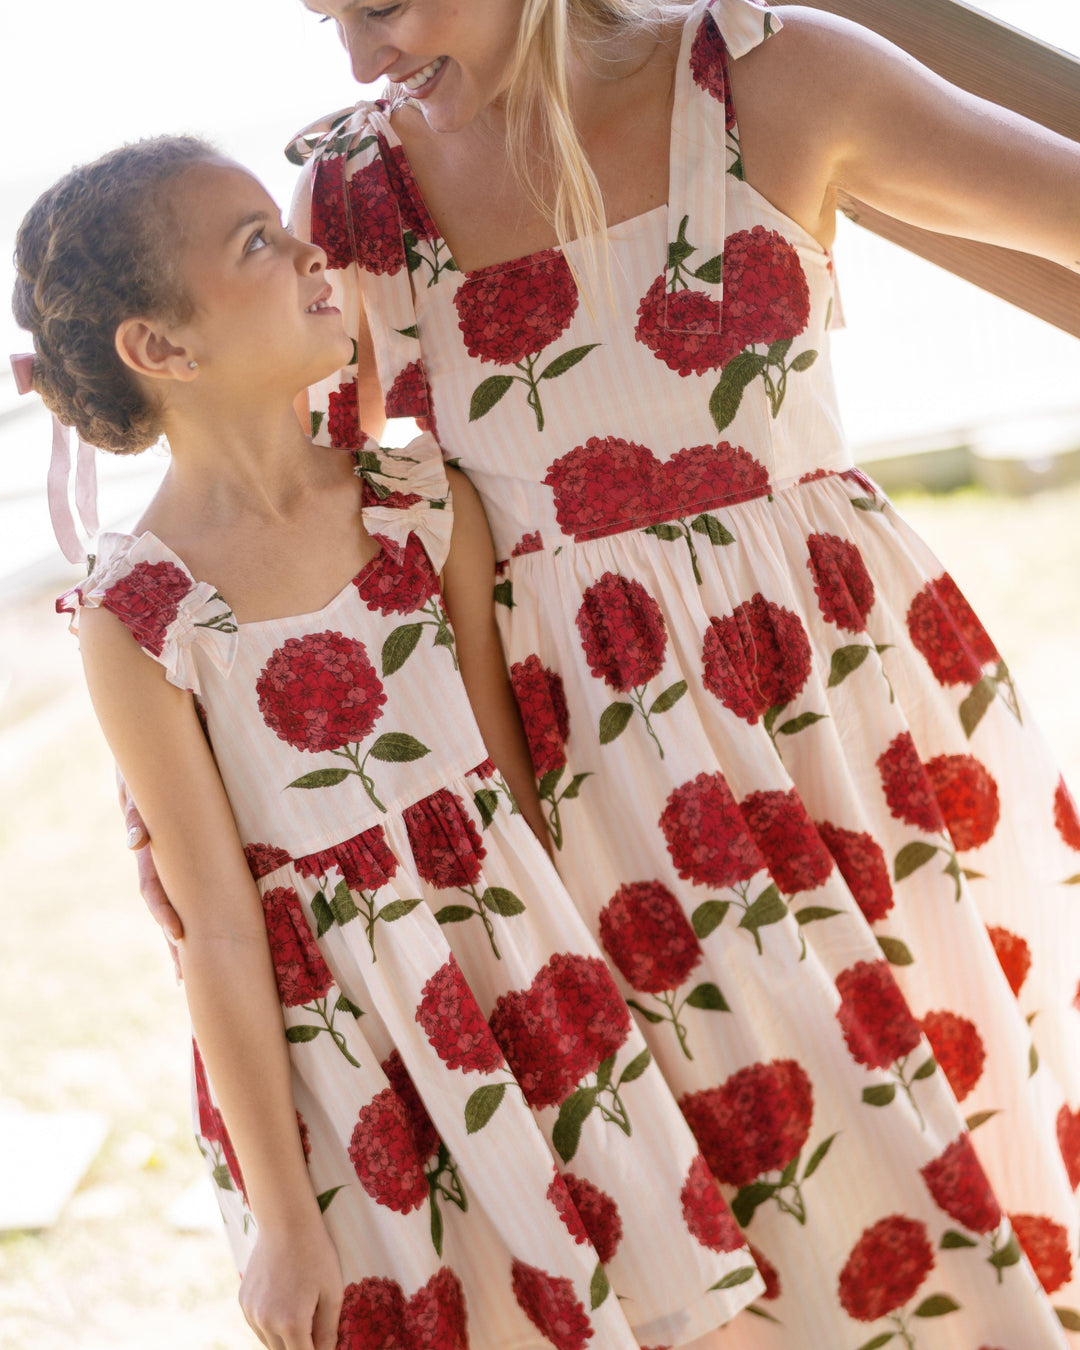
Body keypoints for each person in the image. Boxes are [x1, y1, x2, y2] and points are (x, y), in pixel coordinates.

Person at [126, 1, 1080, 1344]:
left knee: (950, 1138)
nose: (357, 59)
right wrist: (186, 770)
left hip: (844, 711)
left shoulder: (776, 76)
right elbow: (299, 505)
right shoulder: (349, 196)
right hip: (584, 781)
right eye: (328, 14)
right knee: (759, 1207)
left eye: (380, 6)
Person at [14, 137, 773, 1350]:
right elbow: (217, 929)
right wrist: (284, 1219)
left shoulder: (419, 503)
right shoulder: (140, 617)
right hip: (344, 1065)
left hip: (524, 982)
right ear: (161, 348)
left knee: (660, 1308)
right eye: (257, 243)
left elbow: (509, 795)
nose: (312, 250)